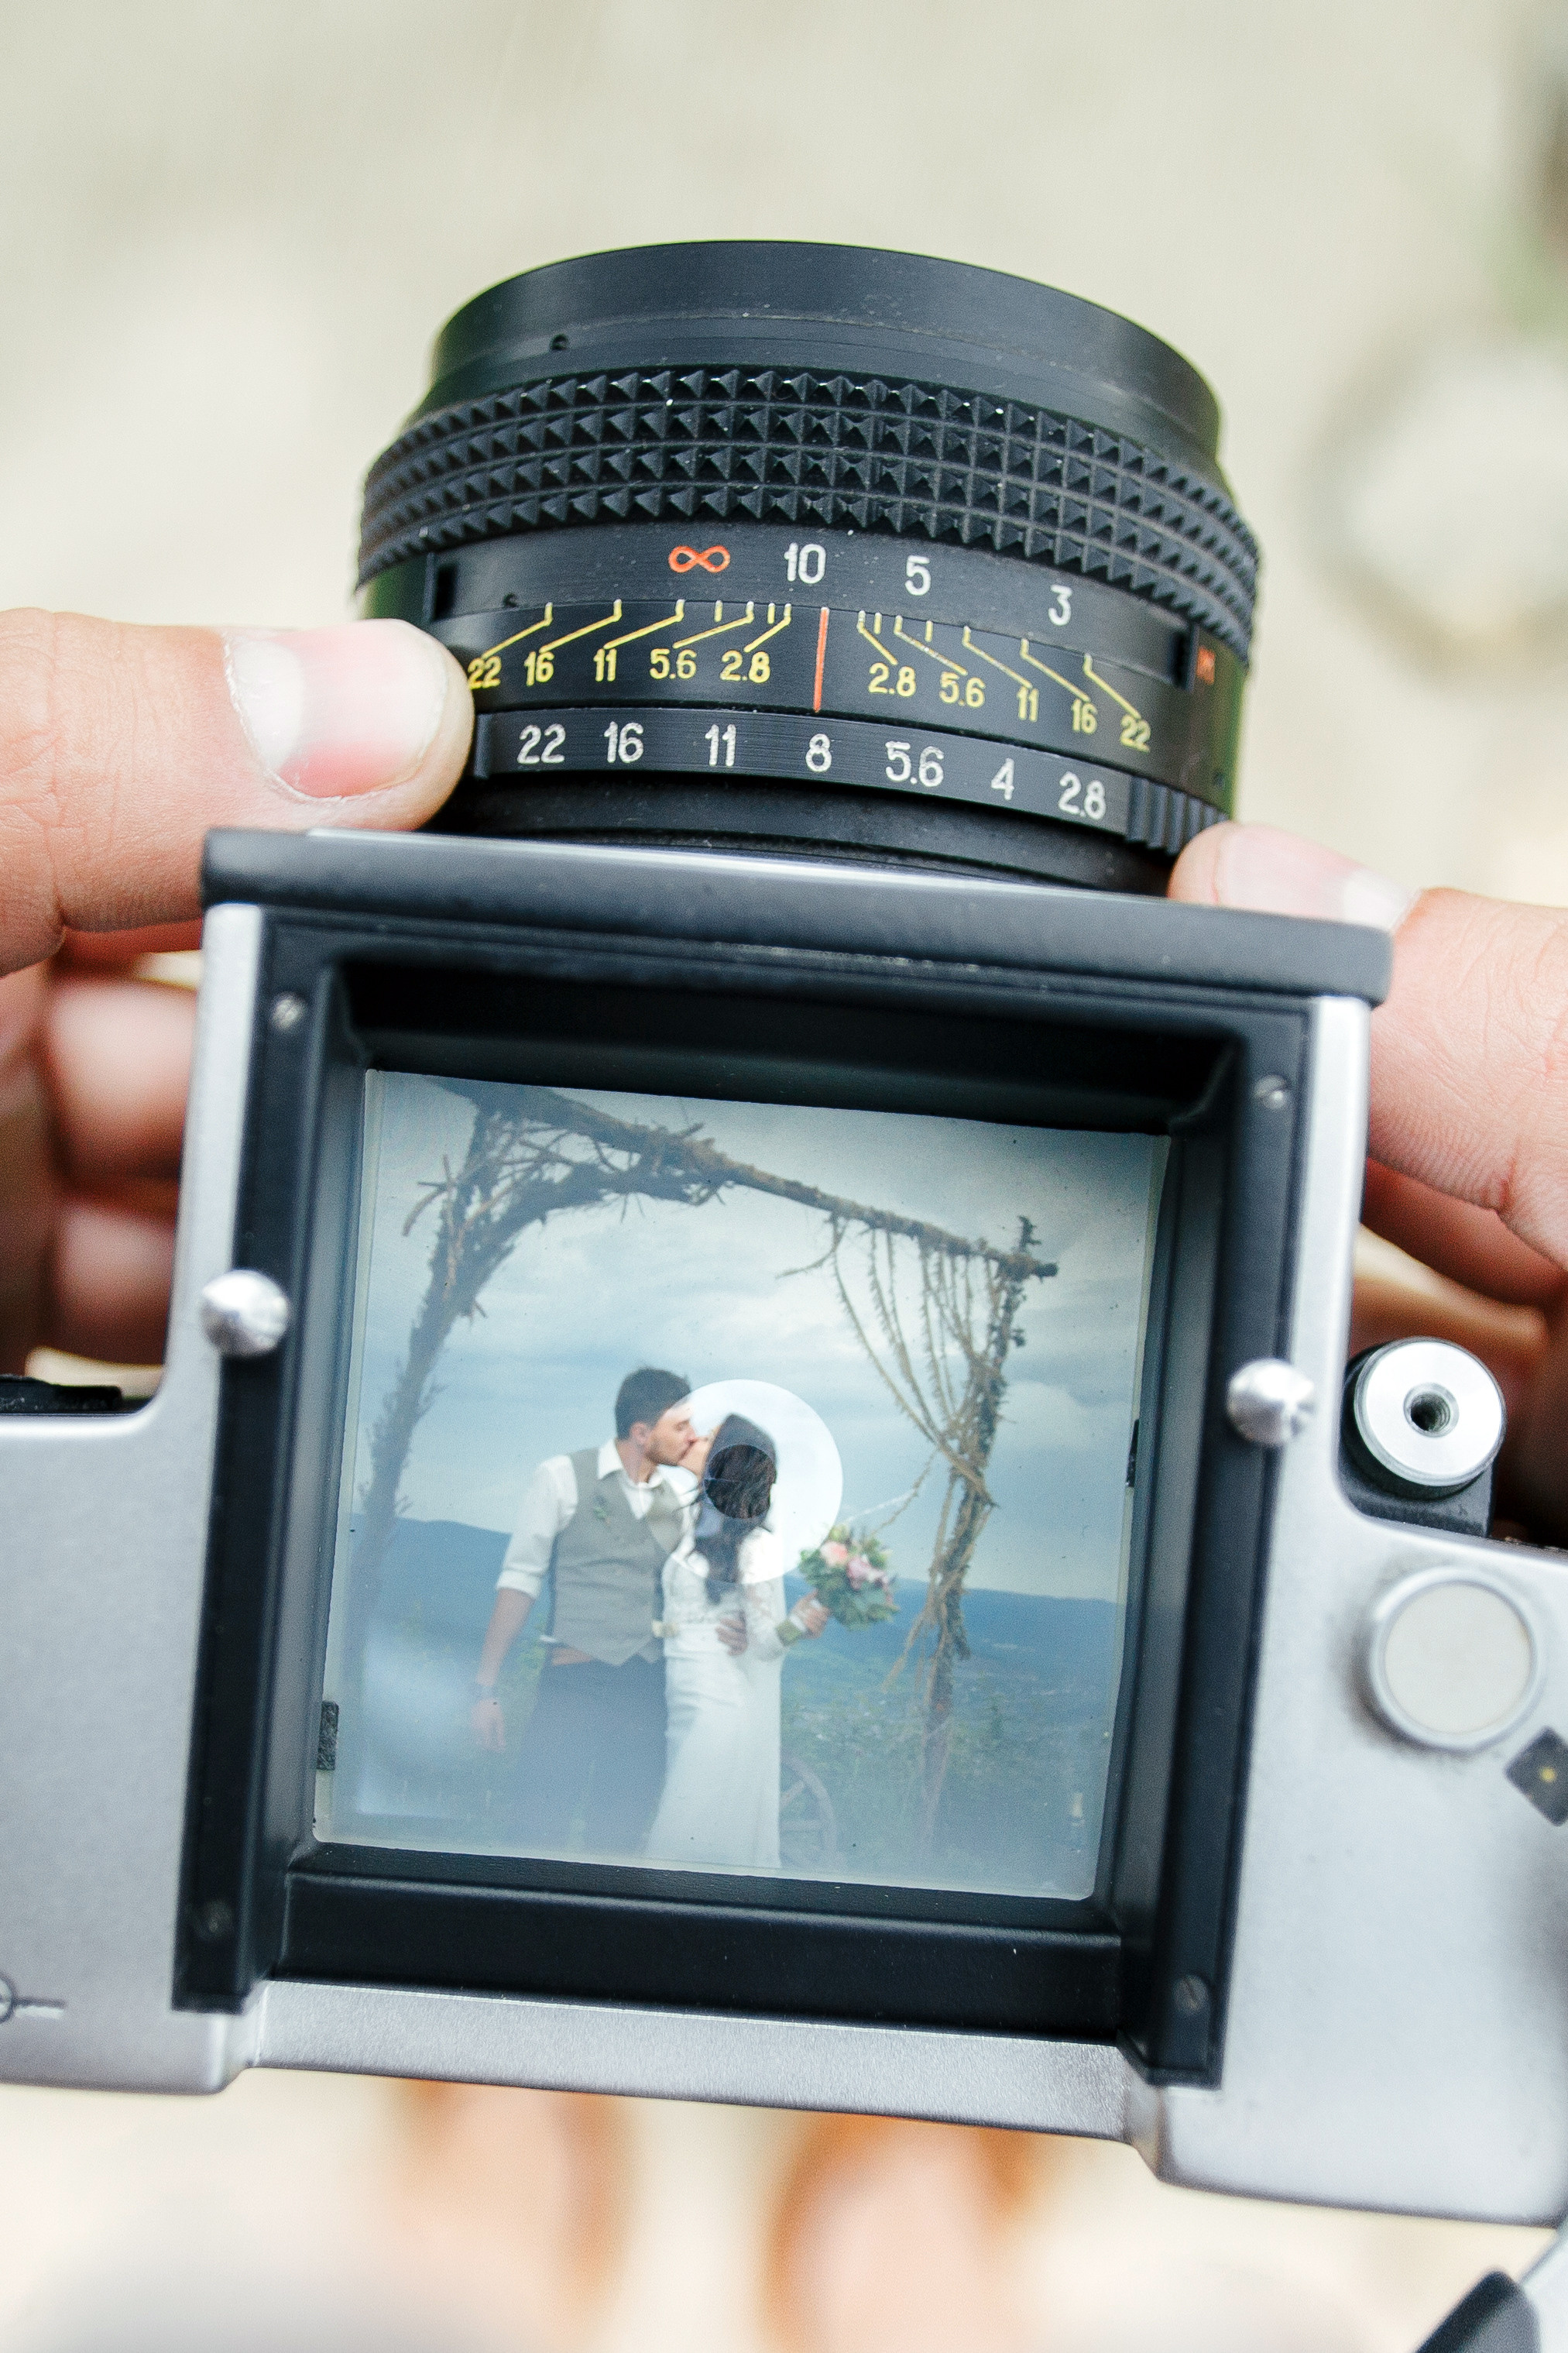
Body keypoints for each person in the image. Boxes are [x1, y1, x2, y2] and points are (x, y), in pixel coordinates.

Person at [1, 610, 1564, 1540]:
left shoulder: (688, 1524)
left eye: (697, 1430)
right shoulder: (590, 1503)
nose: (694, 1442)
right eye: (691, 1427)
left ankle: (507, 2105)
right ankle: (910, 2122)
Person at [470, 1367, 699, 1857]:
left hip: (645, 1690)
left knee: (619, 1837)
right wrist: (485, 1688)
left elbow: (691, 1593)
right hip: (573, 1685)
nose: (691, 1437)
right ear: (641, 1432)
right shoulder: (561, 1475)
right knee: (537, 1829)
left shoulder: (674, 1501)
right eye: (681, 1426)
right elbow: (520, 1579)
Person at [647, 1412, 829, 1870]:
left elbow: (767, 1642)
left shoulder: (755, 1546)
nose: (697, 1438)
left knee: (681, 1849)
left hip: (718, 1713)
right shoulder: (695, 1524)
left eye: (710, 1437)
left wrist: (800, 1623)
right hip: (682, 1707)